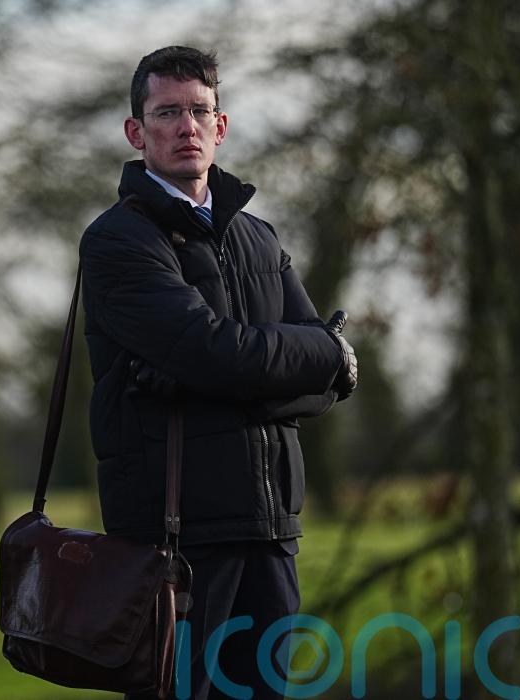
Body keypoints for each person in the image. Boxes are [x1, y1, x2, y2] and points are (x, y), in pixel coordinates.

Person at [79, 46, 359, 699]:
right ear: (136, 131)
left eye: (199, 110)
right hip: (175, 537)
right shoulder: (117, 240)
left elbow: (324, 381)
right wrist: (313, 354)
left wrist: (259, 371)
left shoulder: (260, 237)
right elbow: (214, 352)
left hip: (271, 526)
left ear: (221, 125)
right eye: (167, 112)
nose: (187, 126)